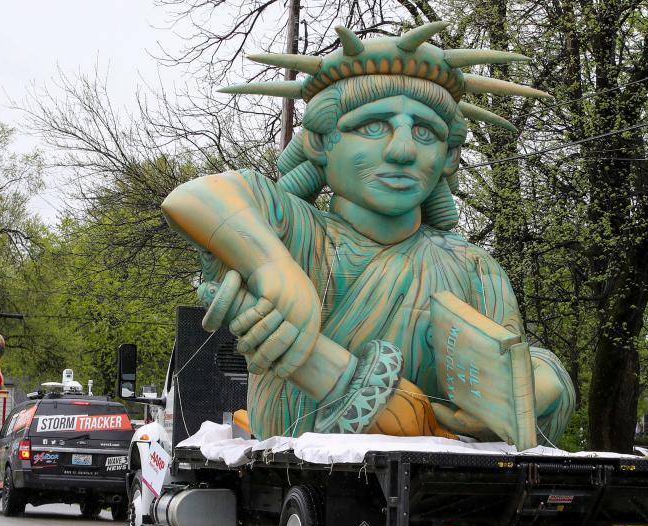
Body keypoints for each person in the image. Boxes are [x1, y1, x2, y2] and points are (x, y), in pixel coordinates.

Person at [161, 23, 574, 444]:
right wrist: (272, 267)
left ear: (449, 156)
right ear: (321, 141)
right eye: (373, 126)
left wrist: (541, 383)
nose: (402, 151)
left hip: (440, 476)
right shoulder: (292, 231)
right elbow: (195, 197)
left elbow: (511, 360)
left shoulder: (473, 267)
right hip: (294, 471)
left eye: (425, 132)